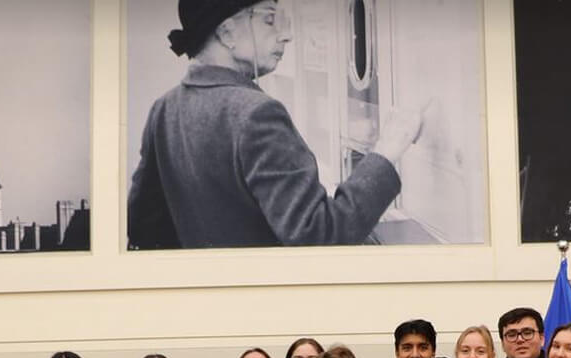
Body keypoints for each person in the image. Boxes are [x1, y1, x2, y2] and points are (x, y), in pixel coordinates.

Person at [127, 0, 424, 249]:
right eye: (270, 20)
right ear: (227, 32)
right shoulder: (256, 113)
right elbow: (321, 236)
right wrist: (386, 152)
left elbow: (144, 226)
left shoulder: (164, 108)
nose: (285, 36)